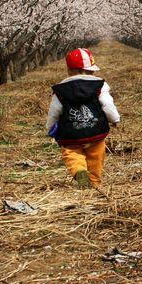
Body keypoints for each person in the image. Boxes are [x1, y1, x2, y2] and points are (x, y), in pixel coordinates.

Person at [46, 48, 120, 188]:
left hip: (70, 132)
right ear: (91, 70)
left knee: (71, 152)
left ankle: (79, 170)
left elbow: (54, 111)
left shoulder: (60, 89)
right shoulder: (100, 85)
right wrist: (115, 119)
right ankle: (94, 181)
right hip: (96, 130)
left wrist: (50, 127)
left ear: (69, 70)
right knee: (96, 156)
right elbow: (107, 104)